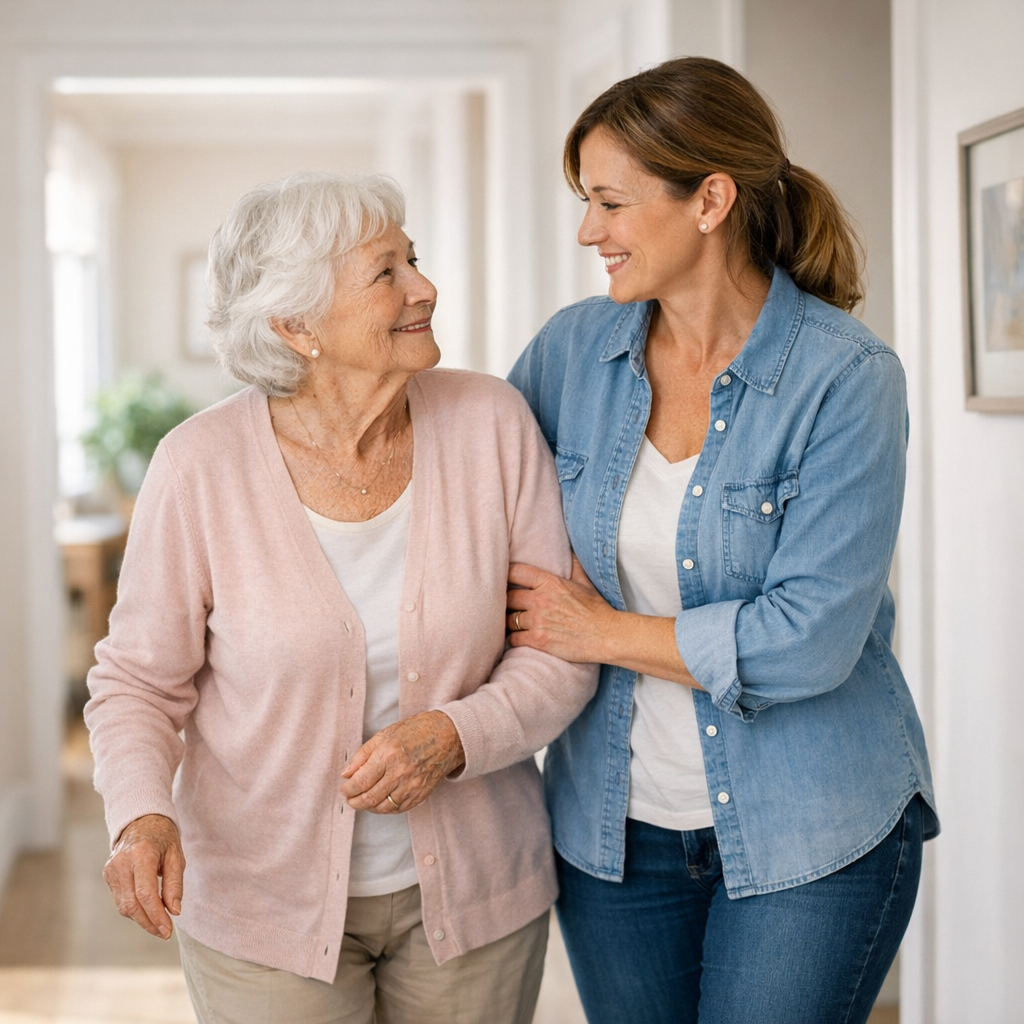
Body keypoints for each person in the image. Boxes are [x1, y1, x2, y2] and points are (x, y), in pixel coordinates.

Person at [85, 170, 597, 1024]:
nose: (424, 288)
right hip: (260, 912)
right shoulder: (197, 466)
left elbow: (558, 645)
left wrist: (454, 737)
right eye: (385, 273)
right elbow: (138, 680)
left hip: (475, 900)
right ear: (295, 326)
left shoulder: (493, 424)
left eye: (414, 260)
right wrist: (140, 815)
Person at [505, 57, 938, 1024]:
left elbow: (808, 640)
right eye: (586, 202)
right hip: (614, 830)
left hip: (811, 828)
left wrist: (601, 631)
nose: (589, 231)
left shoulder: (846, 378)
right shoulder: (571, 353)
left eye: (610, 203)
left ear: (710, 199)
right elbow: (472, 495)